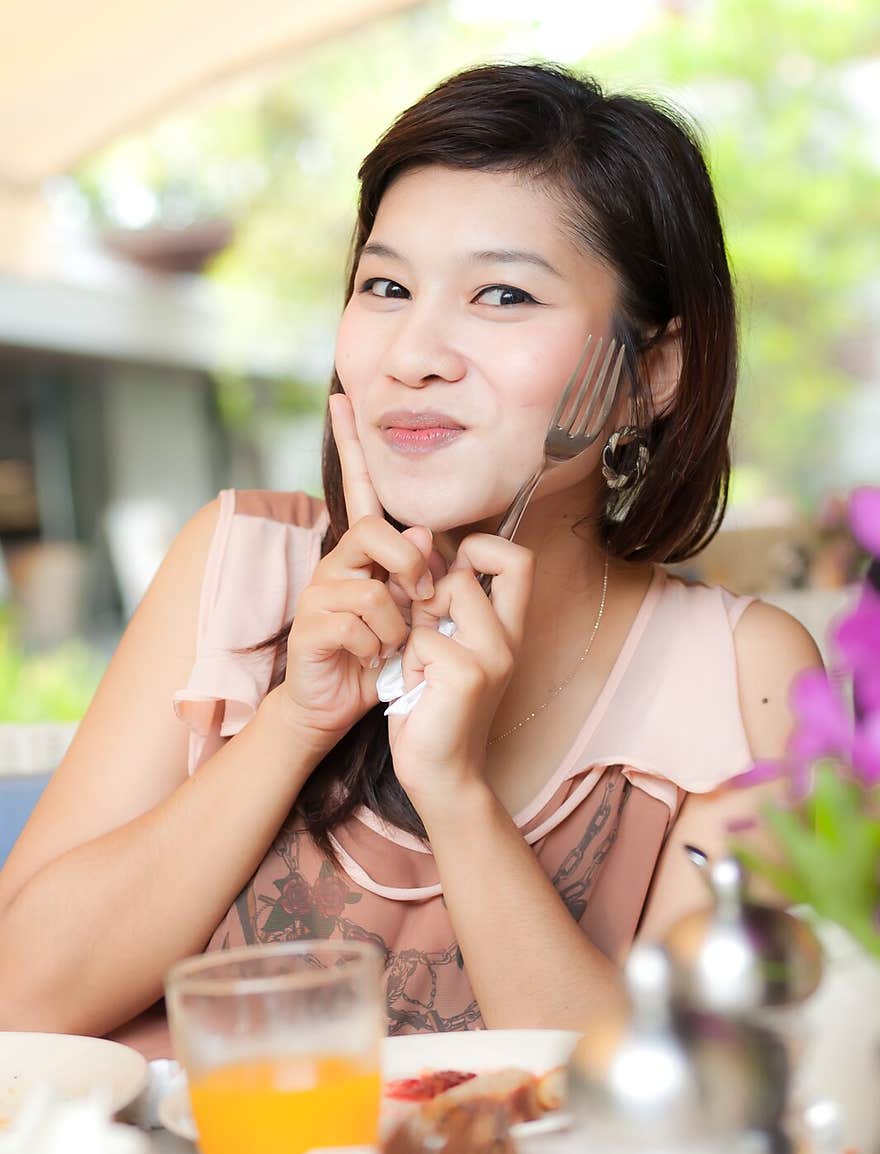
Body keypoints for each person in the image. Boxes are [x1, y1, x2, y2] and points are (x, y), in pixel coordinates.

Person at [0, 62, 821, 1046]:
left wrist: (456, 795)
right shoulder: (237, 565)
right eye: (385, 285)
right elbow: (18, 1003)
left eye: (502, 295)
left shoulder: (743, 677)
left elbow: (683, 1112)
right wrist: (293, 722)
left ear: (651, 373)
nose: (411, 352)